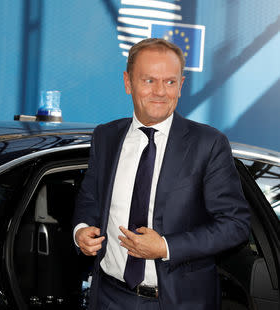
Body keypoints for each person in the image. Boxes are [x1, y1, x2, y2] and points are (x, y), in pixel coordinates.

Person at [72, 38, 251, 310]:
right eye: (148, 81)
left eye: (169, 82)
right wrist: (81, 230)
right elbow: (90, 199)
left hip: (179, 302)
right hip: (109, 297)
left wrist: (167, 247)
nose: (160, 92)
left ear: (181, 86)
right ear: (128, 82)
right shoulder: (106, 136)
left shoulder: (208, 144)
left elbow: (235, 225)